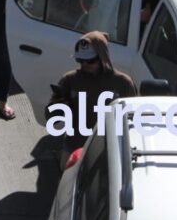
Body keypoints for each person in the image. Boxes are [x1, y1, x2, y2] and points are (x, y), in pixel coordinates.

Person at [48, 32, 137, 165]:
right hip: (75, 147)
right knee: (66, 182)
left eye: (90, 60)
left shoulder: (123, 83)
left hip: (109, 151)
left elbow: (133, 122)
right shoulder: (69, 80)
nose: (84, 64)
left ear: (103, 57)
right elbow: (50, 116)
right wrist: (57, 108)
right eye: (80, 60)